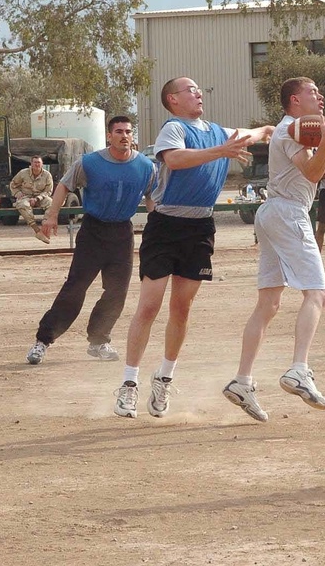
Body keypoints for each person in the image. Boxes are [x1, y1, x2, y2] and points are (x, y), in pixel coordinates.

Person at [114, 77, 274, 419]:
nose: (198, 92)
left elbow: (261, 133)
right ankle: (129, 384)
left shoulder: (219, 131)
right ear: (172, 99)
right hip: (166, 225)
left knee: (181, 308)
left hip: (200, 226)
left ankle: (164, 378)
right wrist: (222, 151)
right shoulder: (173, 128)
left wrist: (277, 129)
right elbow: (175, 160)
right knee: (148, 307)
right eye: (190, 89)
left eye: (200, 88)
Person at [223, 77, 325, 422]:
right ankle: (299, 369)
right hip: (287, 212)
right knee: (318, 295)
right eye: (312, 92)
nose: (319, 96)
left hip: (277, 213)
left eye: (320, 91)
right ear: (293, 100)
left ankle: (242, 381)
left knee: (269, 303)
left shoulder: (316, 128)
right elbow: (315, 173)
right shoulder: (291, 129)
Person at [26, 116, 157, 365]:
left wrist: (159, 226)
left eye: (128, 131)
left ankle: (99, 341)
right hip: (93, 232)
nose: (124, 136)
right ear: (109, 136)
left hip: (122, 234)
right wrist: (51, 215)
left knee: (117, 292)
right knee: (75, 289)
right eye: (118, 131)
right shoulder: (90, 163)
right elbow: (64, 185)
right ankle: (42, 341)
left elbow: (152, 197)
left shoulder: (145, 166)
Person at [10, 156, 55, 244]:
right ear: (31, 164)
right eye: (35, 162)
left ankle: (45, 228)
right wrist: (17, 193)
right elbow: (13, 184)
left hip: (41, 197)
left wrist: (37, 198)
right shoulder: (23, 173)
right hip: (25, 196)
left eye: (39, 162)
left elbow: (48, 191)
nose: (37, 164)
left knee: (51, 203)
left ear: (42, 164)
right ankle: (37, 231)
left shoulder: (47, 175)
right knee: (22, 205)